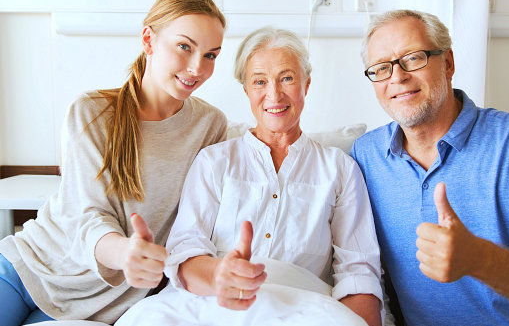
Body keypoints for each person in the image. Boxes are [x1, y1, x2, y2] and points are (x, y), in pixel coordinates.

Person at [116, 26, 383, 326]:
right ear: (246, 89)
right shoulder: (213, 161)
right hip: (209, 304)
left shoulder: (340, 169)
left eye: (287, 78)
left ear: (306, 84)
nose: (274, 94)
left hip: (301, 308)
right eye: (260, 81)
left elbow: (358, 271)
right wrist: (220, 276)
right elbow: (185, 250)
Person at [0, 0, 228, 325]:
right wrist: (125, 253)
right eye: (184, 47)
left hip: (107, 302)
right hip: (28, 269)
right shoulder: (92, 112)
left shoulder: (210, 126)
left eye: (210, 55)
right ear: (149, 41)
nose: (197, 67)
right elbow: (86, 215)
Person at [351, 9, 509, 325]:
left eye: (413, 58)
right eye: (381, 68)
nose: (397, 76)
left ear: (447, 63)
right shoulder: (366, 156)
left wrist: (480, 259)